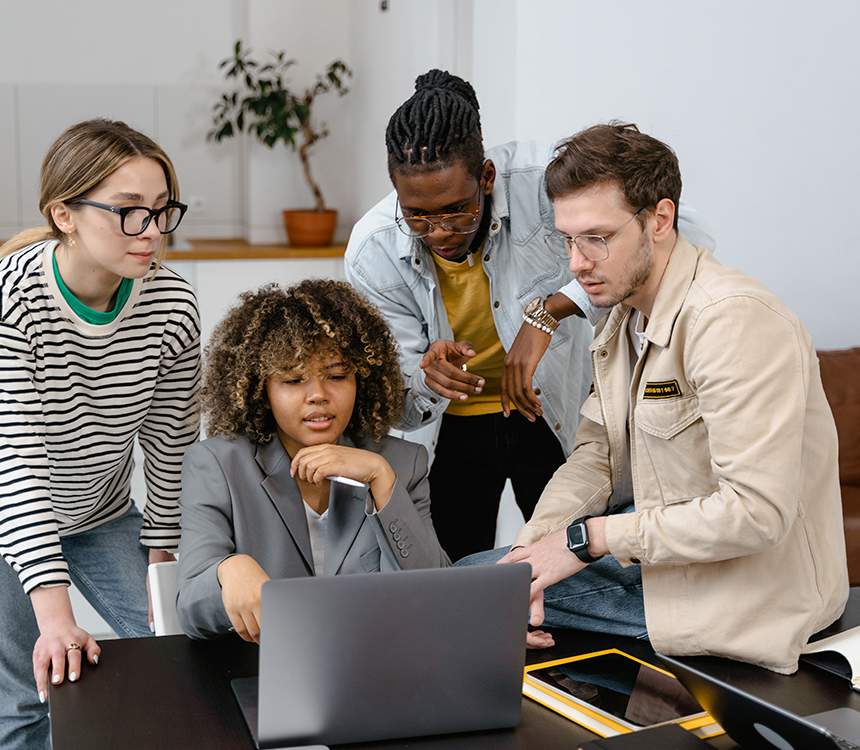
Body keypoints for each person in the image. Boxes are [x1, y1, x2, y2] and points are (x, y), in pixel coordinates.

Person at [463, 122, 847, 674]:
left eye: (597, 238)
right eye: (568, 240)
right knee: (487, 580)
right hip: (667, 561)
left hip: (748, 593)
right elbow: (598, 457)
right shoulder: (623, 316)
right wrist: (531, 552)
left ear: (660, 219)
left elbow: (757, 513)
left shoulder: (732, 320)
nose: (575, 263)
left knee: (466, 596)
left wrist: (587, 539)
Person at [345, 69, 714, 562]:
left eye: (457, 210)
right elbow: (401, 405)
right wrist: (425, 377)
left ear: (487, 178)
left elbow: (683, 241)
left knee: (573, 565)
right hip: (452, 431)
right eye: (417, 215)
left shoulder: (546, 183)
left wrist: (550, 312)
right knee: (454, 575)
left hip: (551, 410)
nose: (438, 232)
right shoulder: (374, 252)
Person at [0, 119, 200, 749]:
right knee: (26, 695)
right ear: (64, 214)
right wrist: (55, 618)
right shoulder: (15, 302)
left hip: (101, 510)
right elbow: (21, 464)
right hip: (11, 515)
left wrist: (165, 559)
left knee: (176, 650)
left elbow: (171, 445)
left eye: (162, 210)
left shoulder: (171, 305)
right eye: (128, 212)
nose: (153, 232)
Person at [176, 280, 449, 642]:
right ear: (262, 390)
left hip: (377, 664)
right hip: (263, 672)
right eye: (293, 380)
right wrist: (228, 570)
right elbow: (191, 611)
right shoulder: (217, 465)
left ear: (361, 380)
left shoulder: (402, 463)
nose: (318, 395)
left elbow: (437, 597)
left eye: (337, 376)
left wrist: (381, 480)